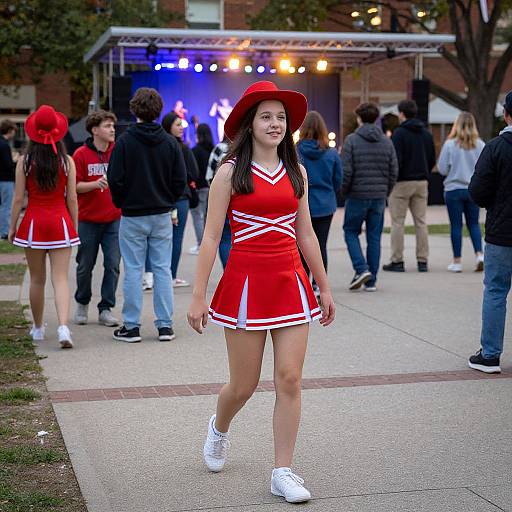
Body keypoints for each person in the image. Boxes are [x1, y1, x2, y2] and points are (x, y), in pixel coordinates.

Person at [187, 81, 335, 504]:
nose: (274, 124)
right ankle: (219, 427)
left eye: (281, 117)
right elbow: (212, 236)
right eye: (266, 116)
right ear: (250, 124)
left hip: (291, 282)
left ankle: (282, 471)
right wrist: (199, 294)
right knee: (244, 385)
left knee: (289, 378)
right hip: (245, 285)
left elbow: (306, 234)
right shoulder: (231, 171)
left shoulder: (298, 171)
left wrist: (323, 287)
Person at [107, 87, 187, 343]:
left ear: (134, 110)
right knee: (163, 269)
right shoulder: (169, 143)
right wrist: (168, 200)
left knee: (133, 269)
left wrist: (122, 202)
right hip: (162, 213)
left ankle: (131, 326)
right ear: (159, 110)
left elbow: (115, 178)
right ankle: (165, 325)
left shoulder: (125, 142)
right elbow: (180, 180)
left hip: (132, 214)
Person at [8, 105, 79, 348]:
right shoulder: (67, 161)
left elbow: (18, 199)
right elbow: (72, 198)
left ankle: (38, 329)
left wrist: (11, 227)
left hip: (33, 224)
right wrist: (74, 225)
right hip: (60, 223)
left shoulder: (24, 161)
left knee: (37, 279)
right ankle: (63, 328)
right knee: (61, 279)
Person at [467, 91, 512, 374]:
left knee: (496, 290)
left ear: (506, 114)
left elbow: (478, 191)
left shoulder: (496, 147)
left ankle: (491, 354)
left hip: (502, 231)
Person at [342, 103, 398, 291]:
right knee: (374, 237)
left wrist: (344, 191)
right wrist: (385, 191)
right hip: (379, 197)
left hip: (357, 195)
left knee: (350, 231)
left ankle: (361, 269)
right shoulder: (386, 141)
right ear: (375, 119)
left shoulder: (351, 141)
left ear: (359, 118)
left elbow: (347, 172)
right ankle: (371, 280)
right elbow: (393, 171)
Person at [72, 110, 121, 327]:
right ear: (94, 130)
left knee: (112, 264)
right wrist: (94, 184)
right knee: (85, 265)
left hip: (114, 219)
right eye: (107, 126)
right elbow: (73, 187)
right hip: (88, 220)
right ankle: (82, 302)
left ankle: (105, 308)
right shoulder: (80, 154)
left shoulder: (118, 151)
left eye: (113, 126)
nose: (112, 130)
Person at [383, 100, 436, 272]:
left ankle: (397, 261)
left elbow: (396, 160)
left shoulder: (399, 134)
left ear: (402, 114)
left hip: (402, 182)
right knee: (421, 222)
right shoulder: (426, 134)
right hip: (422, 182)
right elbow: (432, 158)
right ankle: (422, 260)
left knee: (398, 222)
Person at [297, 111, 342, 293]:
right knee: (320, 244)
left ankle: (303, 284)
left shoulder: (295, 151)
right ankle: (318, 283)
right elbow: (338, 180)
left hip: (302, 205)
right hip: (325, 205)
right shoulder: (331, 154)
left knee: (301, 245)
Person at [437, 112, 485, 272]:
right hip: (473, 189)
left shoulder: (450, 145)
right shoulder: (480, 144)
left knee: (456, 226)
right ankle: (479, 254)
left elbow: (442, 169)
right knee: (474, 224)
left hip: (453, 189)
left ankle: (457, 261)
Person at [161, 111, 199, 287]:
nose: (181, 128)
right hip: (179, 198)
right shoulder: (182, 149)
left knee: (162, 239)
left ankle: (158, 276)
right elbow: (194, 173)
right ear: (168, 126)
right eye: (177, 124)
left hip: (162, 198)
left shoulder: (159, 147)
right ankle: (170, 275)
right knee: (175, 238)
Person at [206, 136, 231, 268]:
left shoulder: (219, 148)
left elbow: (209, 175)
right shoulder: (254, 151)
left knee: (225, 238)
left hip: (222, 201)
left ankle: (228, 271)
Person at [189, 123, 213, 255]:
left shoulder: (195, 150)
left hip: (198, 188)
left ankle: (200, 244)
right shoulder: (213, 149)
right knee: (207, 217)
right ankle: (207, 245)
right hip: (210, 187)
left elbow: (193, 171)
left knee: (197, 216)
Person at [0, 120, 17, 240]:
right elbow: (8, 164)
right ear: (10, 130)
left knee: (1, 205)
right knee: (6, 206)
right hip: (6, 179)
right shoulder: (5, 145)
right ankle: (5, 232)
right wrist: (16, 160)